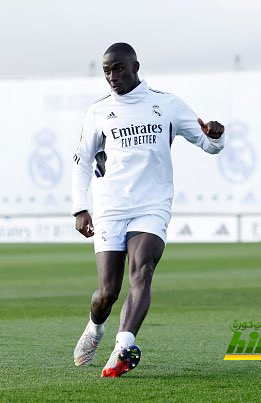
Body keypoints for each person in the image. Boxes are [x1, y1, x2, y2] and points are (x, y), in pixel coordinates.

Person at [71, 43, 225, 377]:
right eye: (107, 71)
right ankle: (95, 329)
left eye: (119, 68)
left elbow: (208, 144)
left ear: (135, 66)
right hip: (110, 207)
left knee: (143, 272)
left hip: (152, 205)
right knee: (107, 292)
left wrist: (216, 136)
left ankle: (122, 348)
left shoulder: (167, 104)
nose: (112, 76)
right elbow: (82, 162)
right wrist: (80, 208)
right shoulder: (98, 112)